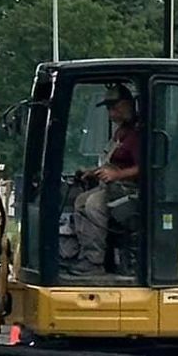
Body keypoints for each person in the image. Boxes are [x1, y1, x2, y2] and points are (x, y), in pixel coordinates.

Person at [69, 86, 141, 273]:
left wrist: (117, 175)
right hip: (113, 187)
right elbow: (111, 163)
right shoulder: (120, 132)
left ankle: (95, 262)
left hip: (131, 190)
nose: (111, 114)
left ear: (127, 105)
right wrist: (92, 172)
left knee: (93, 205)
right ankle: (85, 254)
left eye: (114, 108)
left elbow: (144, 168)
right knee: (80, 201)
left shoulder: (138, 134)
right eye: (109, 109)